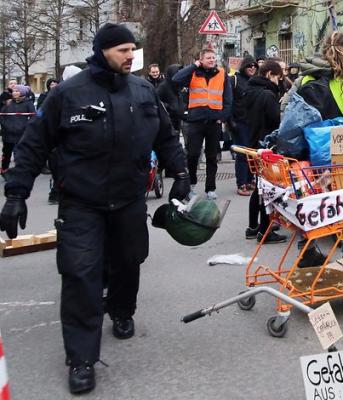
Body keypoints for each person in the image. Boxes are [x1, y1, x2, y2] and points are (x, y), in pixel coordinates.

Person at [0, 23, 189, 394]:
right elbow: (33, 144)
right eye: (122, 50)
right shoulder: (69, 93)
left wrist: (180, 172)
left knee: (128, 261)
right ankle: (82, 359)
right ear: (102, 51)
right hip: (82, 203)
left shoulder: (142, 90)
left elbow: (166, 136)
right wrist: (16, 194)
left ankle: (121, 311)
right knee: (81, 275)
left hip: (129, 199)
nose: (130, 56)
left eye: (132, 49)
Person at [282, 31, 343, 261]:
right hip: (342, 149)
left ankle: (307, 250)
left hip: (309, 149)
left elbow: (285, 108)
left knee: (310, 197)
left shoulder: (306, 77)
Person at [172, 48, 233, 200]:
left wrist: (222, 116)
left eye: (213, 57)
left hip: (214, 121)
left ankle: (210, 188)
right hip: (195, 121)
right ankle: (191, 185)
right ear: (201, 60)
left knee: (212, 156)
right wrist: (194, 66)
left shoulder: (221, 73)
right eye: (208, 58)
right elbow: (176, 79)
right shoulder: (193, 72)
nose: (212, 60)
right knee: (192, 155)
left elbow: (228, 98)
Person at [244, 60, 288, 243]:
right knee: (267, 189)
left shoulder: (250, 90)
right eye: (279, 76)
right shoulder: (268, 95)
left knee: (258, 187)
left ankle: (253, 227)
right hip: (266, 146)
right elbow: (276, 122)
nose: (280, 80)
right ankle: (265, 231)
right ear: (270, 74)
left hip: (253, 142)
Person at [231, 56, 257, 196]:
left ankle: (249, 179)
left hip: (252, 123)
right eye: (249, 66)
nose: (252, 68)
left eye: (254, 66)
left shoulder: (254, 81)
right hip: (239, 123)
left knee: (252, 153)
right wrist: (231, 122)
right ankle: (241, 183)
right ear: (244, 67)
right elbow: (228, 100)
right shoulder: (235, 80)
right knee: (242, 154)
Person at [0, 86, 35, 174]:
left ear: (22, 92)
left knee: (19, 154)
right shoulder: (8, 103)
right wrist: (6, 125)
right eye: (14, 91)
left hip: (22, 134)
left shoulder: (28, 103)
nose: (14, 93)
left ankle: (19, 172)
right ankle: (4, 170)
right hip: (8, 134)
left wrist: (26, 126)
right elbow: (2, 116)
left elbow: (33, 117)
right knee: (6, 154)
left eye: (17, 91)